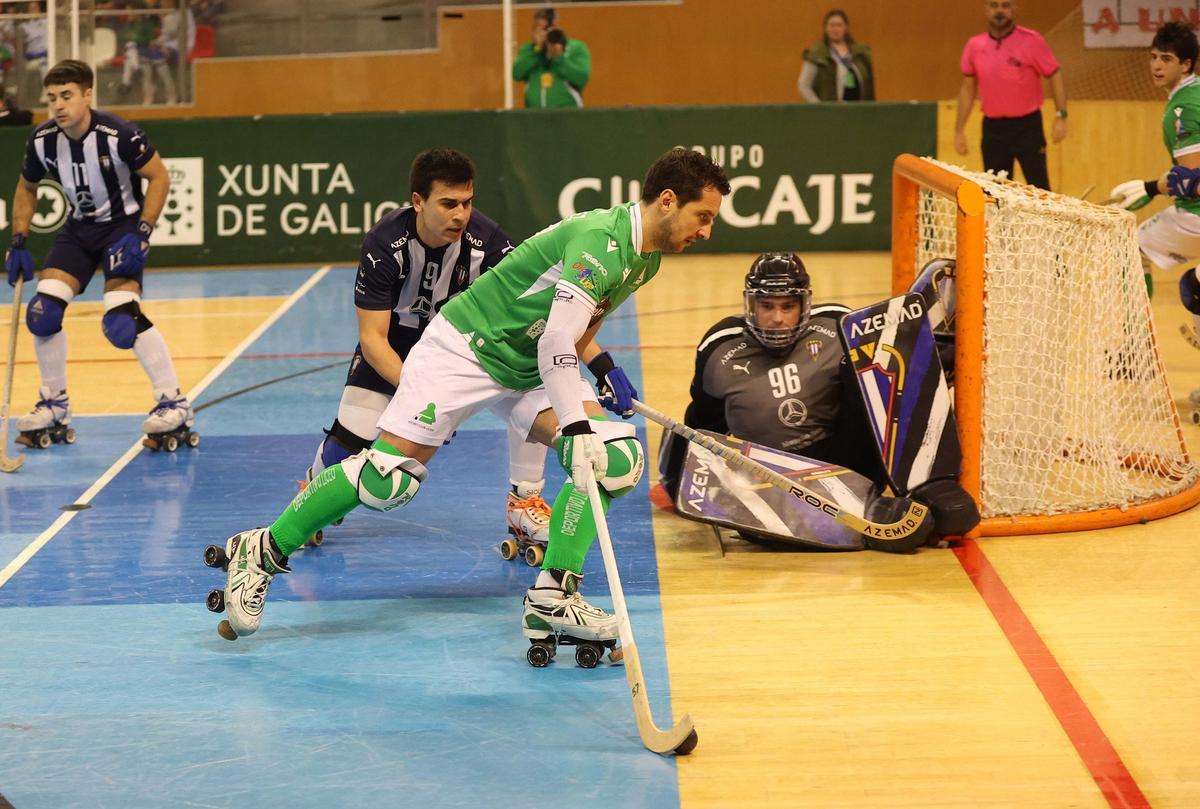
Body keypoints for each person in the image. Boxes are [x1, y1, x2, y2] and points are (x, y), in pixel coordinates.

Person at [209, 148, 731, 646]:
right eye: (702, 216)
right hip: (463, 349)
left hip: (524, 366)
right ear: (667, 200)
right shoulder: (602, 241)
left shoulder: (646, 259)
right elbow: (554, 340)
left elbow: (568, 333)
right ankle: (262, 550)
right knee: (387, 480)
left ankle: (551, 597)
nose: (706, 231)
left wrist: (603, 370)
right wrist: (575, 425)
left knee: (614, 460)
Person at [302, 147, 552, 557]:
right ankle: (316, 485)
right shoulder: (384, 244)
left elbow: (531, 306)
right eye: (448, 204)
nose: (461, 215)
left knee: (533, 393)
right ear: (417, 202)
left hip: (467, 350)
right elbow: (373, 340)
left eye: (468, 203)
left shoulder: (488, 243)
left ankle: (524, 502)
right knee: (348, 443)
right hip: (396, 347)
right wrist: (423, 398)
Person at [658, 252, 979, 546]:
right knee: (912, 533)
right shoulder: (719, 349)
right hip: (774, 479)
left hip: (847, 460)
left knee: (871, 363)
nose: (777, 318)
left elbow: (883, 399)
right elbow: (700, 427)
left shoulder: (838, 325)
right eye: (766, 306)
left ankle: (924, 483)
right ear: (749, 305)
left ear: (805, 305)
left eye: (787, 306)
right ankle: (873, 513)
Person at [4, 59, 192, 450]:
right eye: (52, 97)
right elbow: (26, 187)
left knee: (121, 321)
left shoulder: (119, 134)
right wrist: (18, 239)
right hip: (78, 231)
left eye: (67, 96)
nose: (58, 105)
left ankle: (174, 403)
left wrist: (142, 233)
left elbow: (158, 177)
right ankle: (55, 404)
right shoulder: (42, 140)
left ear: (88, 95)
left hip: (121, 229)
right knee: (42, 313)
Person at [1107, 22, 1200, 406]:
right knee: (1195, 288)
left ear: (1187, 63)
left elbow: (1193, 181)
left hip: (1195, 219)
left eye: (1167, 58)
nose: (1156, 65)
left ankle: (1137, 350)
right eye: (1153, 57)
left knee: (1124, 246)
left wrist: (1152, 188)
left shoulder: (1183, 107)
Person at [954, 0, 1066, 190]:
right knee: (996, 193)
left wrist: (1061, 115)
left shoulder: (1032, 40)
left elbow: (1054, 74)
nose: (1000, 11)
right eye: (994, 5)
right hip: (994, 130)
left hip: (1028, 128)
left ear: (1014, 10)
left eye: (1005, 6)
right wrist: (959, 130)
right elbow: (967, 89)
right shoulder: (974, 45)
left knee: (1039, 189)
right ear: (986, 10)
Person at [512, 7, 591, 109]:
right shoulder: (529, 49)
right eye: (537, 28)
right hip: (534, 116)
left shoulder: (576, 47)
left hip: (567, 115)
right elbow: (517, 74)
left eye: (545, 28)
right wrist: (536, 49)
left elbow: (581, 78)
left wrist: (559, 57)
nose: (542, 32)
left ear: (556, 24)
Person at [797, 9, 874, 103]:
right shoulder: (816, 54)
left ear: (846, 28)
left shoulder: (860, 53)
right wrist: (818, 106)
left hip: (858, 111)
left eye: (839, 25)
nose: (835, 29)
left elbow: (869, 85)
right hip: (830, 113)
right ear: (826, 28)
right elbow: (804, 85)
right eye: (832, 25)